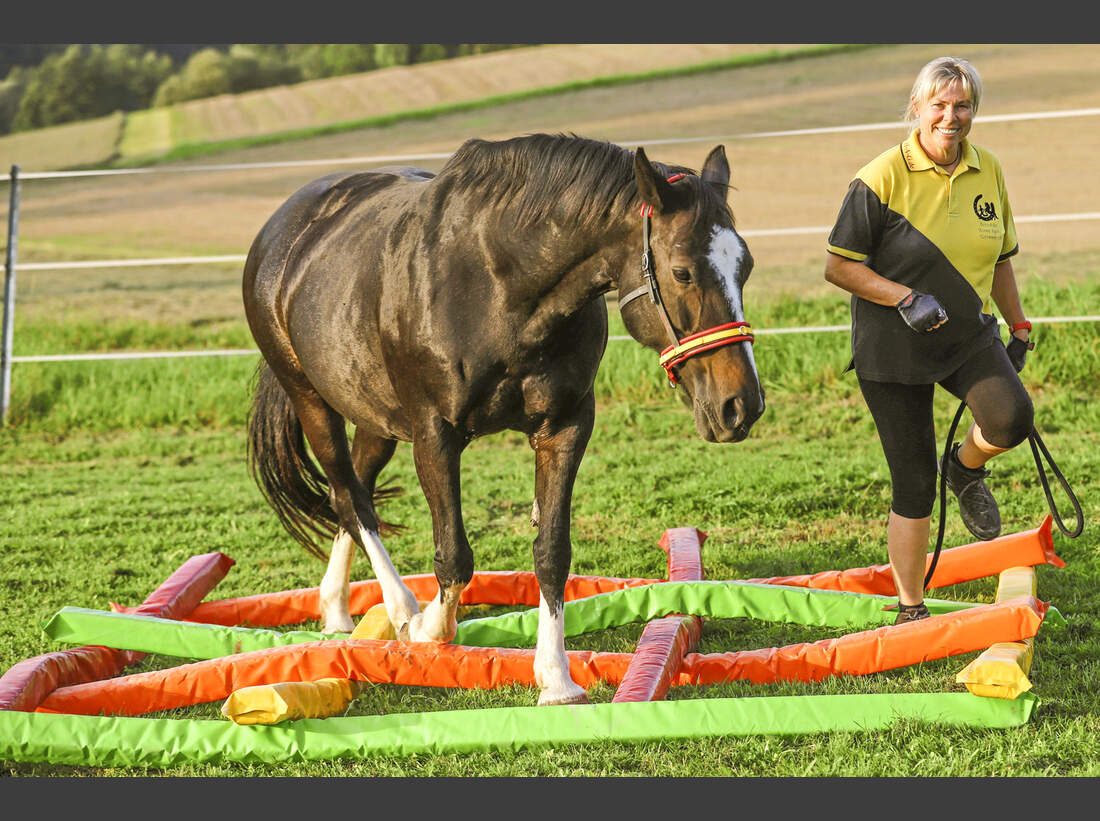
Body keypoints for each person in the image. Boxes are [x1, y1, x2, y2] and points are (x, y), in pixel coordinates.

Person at [823, 56, 1035, 624]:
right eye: (939, 105)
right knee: (913, 482)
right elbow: (838, 266)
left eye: (962, 105)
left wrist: (1018, 325)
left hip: (968, 335)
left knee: (1012, 417)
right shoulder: (880, 177)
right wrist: (903, 297)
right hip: (891, 349)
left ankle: (965, 469)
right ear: (917, 108)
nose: (951, 116)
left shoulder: (988, 168)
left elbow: (1002, 258)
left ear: (974, 111)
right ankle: (910, 607)